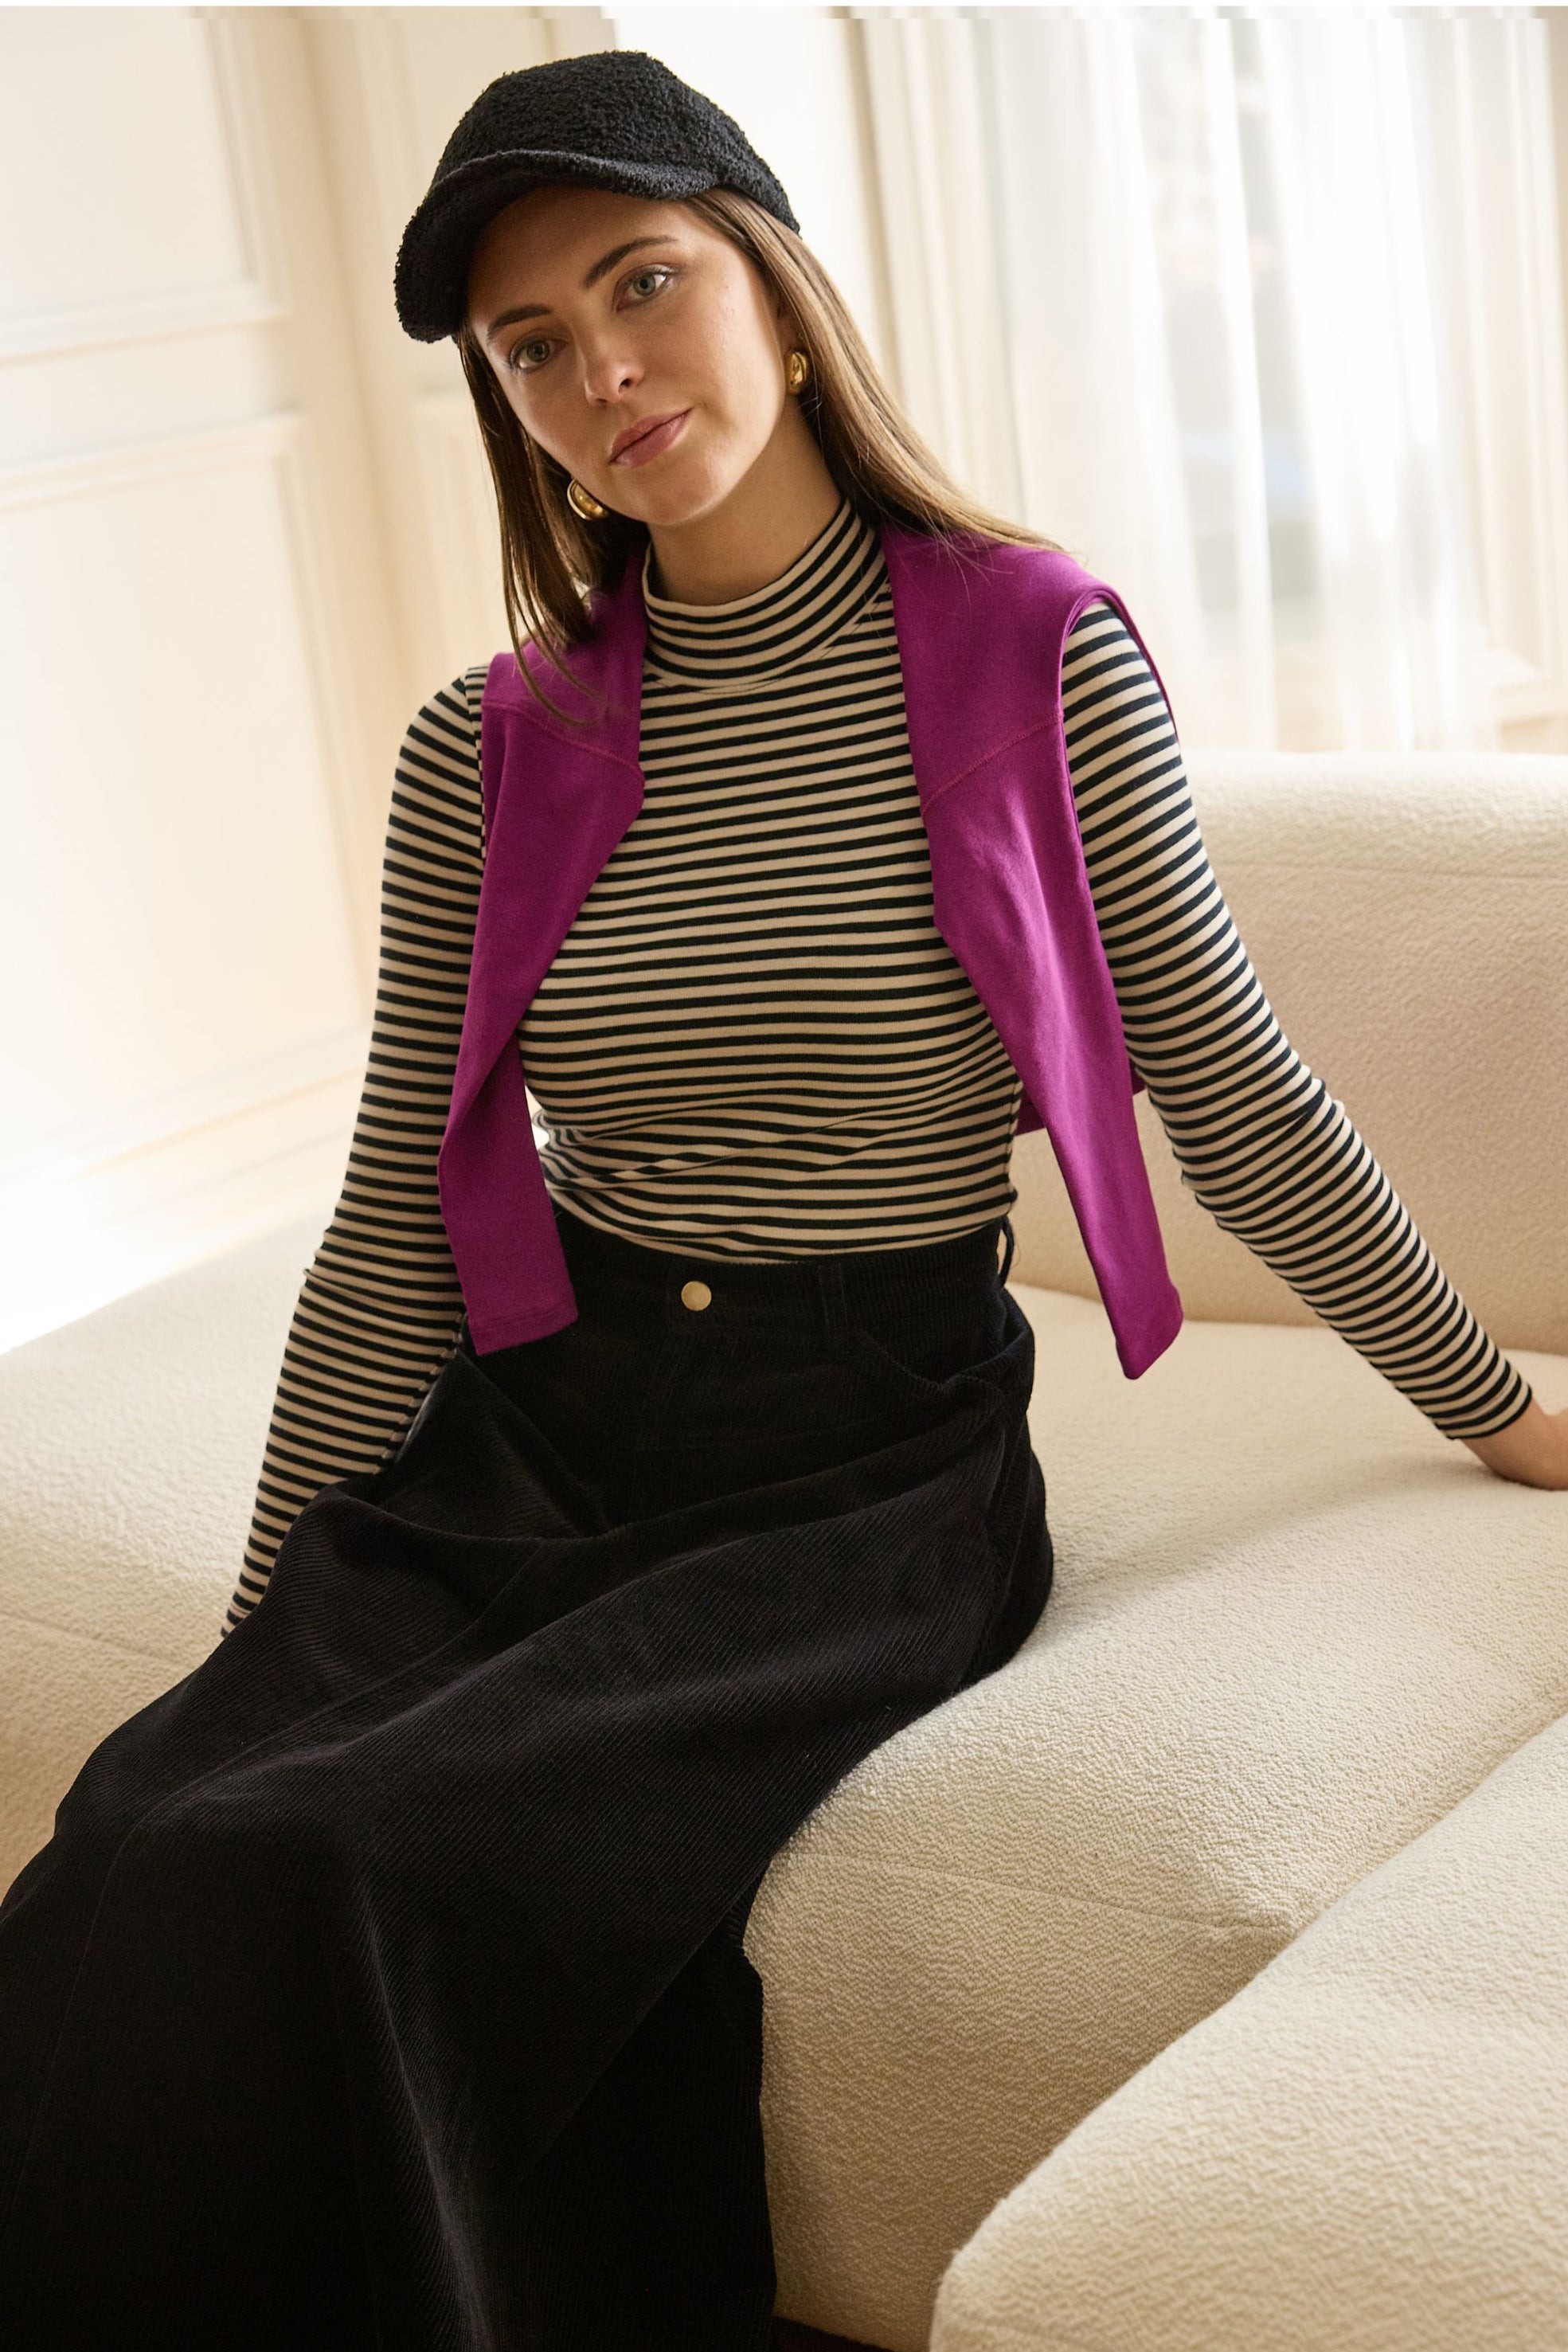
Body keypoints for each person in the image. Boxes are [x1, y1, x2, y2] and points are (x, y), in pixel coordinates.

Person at [2, 46, 1563, 2352]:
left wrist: (1492, 1403)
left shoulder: (1035, 657)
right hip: (542, 1421)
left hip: (861, 1466)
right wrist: (266, 1632)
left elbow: (1230, 1089)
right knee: (153, 1814)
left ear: (774, 282)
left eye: (643, 282)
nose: (599, 369)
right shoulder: (491, 744)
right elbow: (397, 1213)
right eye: (531, 344)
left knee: (344, 1856)